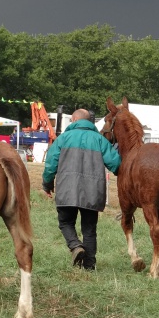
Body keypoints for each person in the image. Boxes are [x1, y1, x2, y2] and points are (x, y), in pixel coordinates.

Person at [42, 108, 121, 271]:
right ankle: (89, 266)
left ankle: (75, 245)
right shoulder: (100, 140)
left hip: (67, 190)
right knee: (89, 229)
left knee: (65, 223)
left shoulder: (63, 139)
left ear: (74, 120)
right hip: (92, 192)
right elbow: (116, 164)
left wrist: (47, 184)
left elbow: (50, 164)